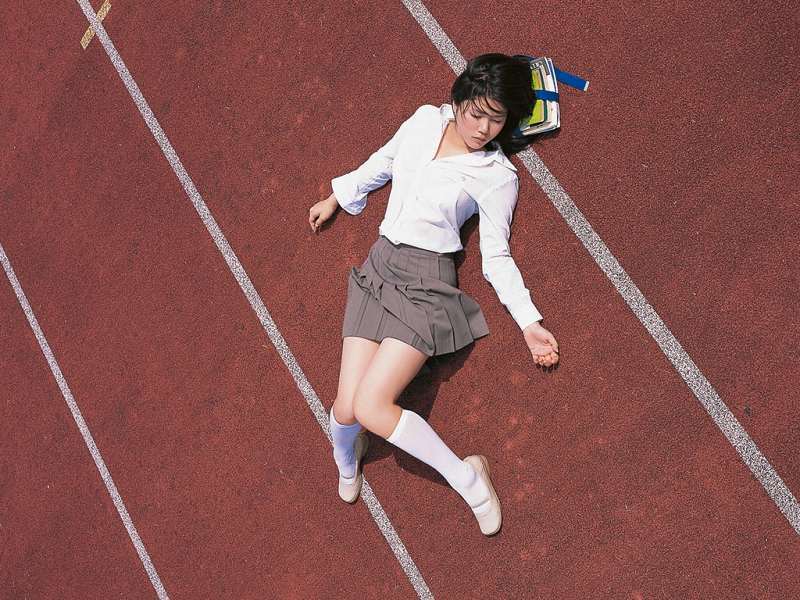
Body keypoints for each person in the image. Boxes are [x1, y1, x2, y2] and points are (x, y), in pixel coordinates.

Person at [307, 53, 559, 536]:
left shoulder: (497, 176)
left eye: (497, 118)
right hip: (380, 268)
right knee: (343, 410)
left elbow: (496, 255)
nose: (484, 127)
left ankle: (470, 478)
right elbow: (384, 161)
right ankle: (347, 457)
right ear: (459, 99)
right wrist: (338, 195)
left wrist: (529, 323)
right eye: (476, 112)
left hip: (426, 285)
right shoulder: (424, 120)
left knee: (370, 408)